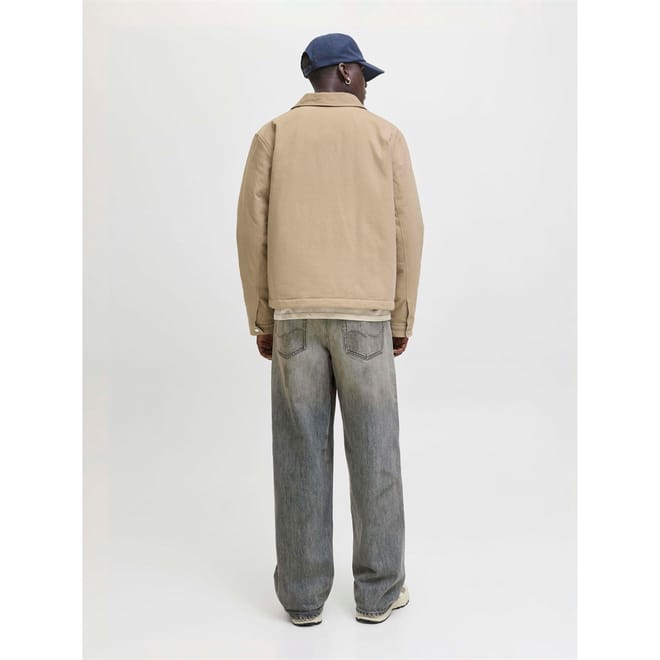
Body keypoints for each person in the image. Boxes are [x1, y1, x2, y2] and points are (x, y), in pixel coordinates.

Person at [236, 32, 424, 626]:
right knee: (376, 456)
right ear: (343, 71)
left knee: (298, 457)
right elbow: (409, 231)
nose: (366, 83)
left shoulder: (273, 135)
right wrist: (401, 312)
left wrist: (262, 315)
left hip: (294, 316)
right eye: (362, 72)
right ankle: (378, 593)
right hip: (366, 318)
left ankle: (301, 598)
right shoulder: (384, 136)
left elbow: (251, 233)